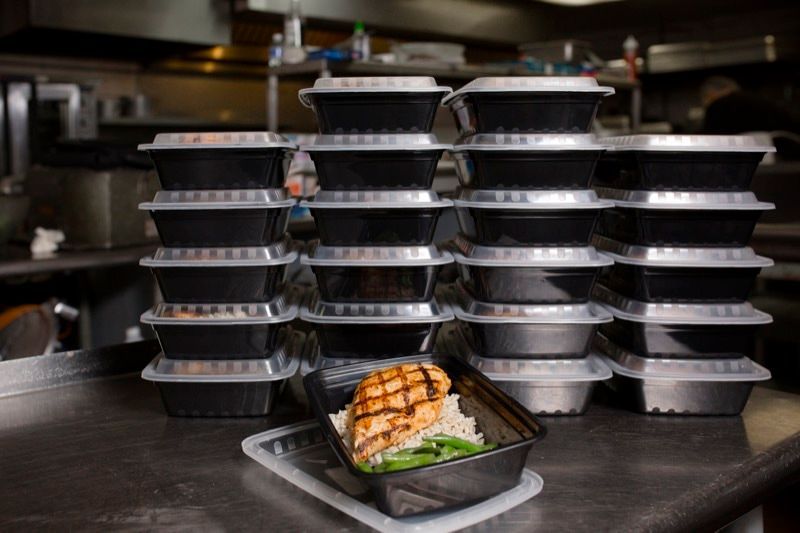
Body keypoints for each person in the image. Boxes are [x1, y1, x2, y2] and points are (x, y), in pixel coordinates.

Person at [701, 76, 800, 138]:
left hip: (752, 160)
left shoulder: (718, 106)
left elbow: (710, 140)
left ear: (711, 94)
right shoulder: (762, 100)